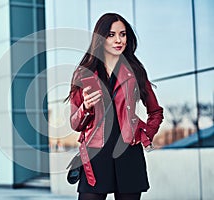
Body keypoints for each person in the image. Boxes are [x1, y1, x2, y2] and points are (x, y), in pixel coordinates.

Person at [66, 13, 164, 200]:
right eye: (111, 35)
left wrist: (146, 134)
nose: (119, 40)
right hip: (95, 156)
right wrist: (85, 107)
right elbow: (75, 123)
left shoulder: (135, 71)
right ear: (100, 39)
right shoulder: (83, 74)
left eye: (123, 34)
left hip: (128, 154)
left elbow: (155, 111)